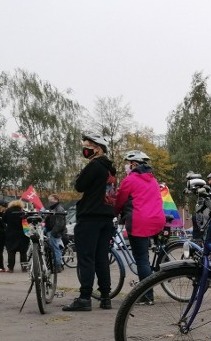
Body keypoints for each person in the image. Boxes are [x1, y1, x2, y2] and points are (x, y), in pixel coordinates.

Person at [63, 132, 117, 312]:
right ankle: (106, 297)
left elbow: (79, 186)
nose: (85, 148)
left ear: (98, 149)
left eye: (88, 145)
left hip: (90, 217)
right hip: (106, 217)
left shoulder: (94, 165)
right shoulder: (110, 169)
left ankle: (85, 297)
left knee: (86, 258)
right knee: (102, 258)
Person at [114, 151, 165, 304]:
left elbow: (120, 200)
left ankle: (147, 296)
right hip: (156, 220)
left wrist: (113, 212)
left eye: (127, 163)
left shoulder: (130, 180)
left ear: (134, 164)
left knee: (142, 260)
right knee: (147, 258)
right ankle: (153, 273)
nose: (126, 166)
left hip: (139, 222)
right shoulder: (152, 179)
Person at [43, 193, 67, 272]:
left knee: (56, 249)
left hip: (54, 232)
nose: (49, 200)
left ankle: (57, 266)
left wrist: (53, 232)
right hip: (50, 230)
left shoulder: (59, 209)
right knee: (53, 248)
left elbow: (60, 223)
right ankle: (54, 265)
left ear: (56, 200)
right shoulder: (53, 208)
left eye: (51, 199)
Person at [3, 199, 28, 272]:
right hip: (22, 234)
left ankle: (11, 268)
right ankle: (24, 268)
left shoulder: (8, 211)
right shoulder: (23, 211)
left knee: (11, 251)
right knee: (23, 252)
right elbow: (27, 221)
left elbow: (4, 220)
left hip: (11, 233)